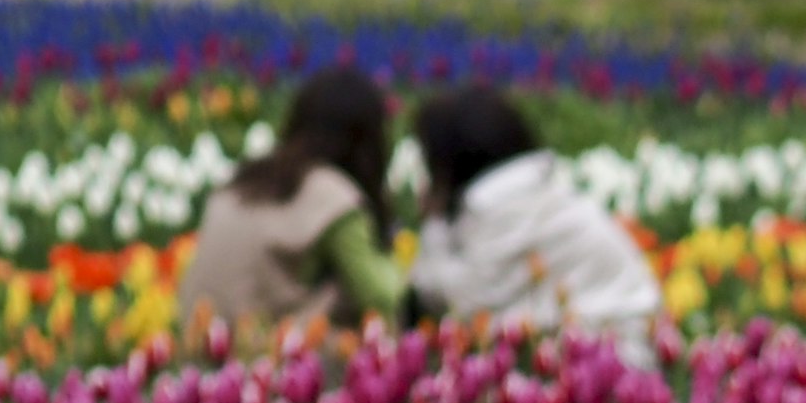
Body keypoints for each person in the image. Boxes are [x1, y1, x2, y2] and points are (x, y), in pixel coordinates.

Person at [406, 83, 663, 356]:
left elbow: (463, 298)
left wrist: (434, 225)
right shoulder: (530, 190)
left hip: (617, 354)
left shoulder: (507, 206)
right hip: (614, 339)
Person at [169, 66, 405, 346]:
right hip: (264, 359)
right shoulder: (333, 195)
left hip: (196, 346)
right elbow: (383, 296)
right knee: (356, 315)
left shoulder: (245, 180)